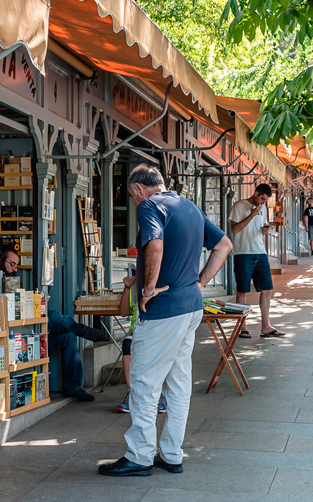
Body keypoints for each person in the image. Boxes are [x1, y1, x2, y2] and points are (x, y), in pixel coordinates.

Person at [98, 165, 231, 477]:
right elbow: (224, 245)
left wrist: (146, 290)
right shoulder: (190, 206)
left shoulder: (149, 205)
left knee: (144, 383)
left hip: (163, 311)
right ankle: (171, 454)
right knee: (179, 384)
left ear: (139, 190)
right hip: (190, 306)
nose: (134, 202)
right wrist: (199, 283)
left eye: (132, 196)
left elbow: (154, 244)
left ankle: (140, 456)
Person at [229, 183, 283, 338]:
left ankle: (266, 326)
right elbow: (235, 229)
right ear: (256, 193)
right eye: (262, 198)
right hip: (243, 252)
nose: (262, 203)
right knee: (242, 291)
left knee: (267, 289)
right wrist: (251, 215)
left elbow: (259, 226)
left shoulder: (264, 208)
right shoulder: (239, 206)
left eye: (265, 200)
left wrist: (265, 229)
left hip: (260, 251)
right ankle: (242, 327)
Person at [114, 273, 167, 415]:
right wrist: (126, 288)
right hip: (137, 328)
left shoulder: (162, 283)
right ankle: (131, 392)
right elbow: (123, 312)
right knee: (127, 344)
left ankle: (159, 394)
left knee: (158, 347)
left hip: (159, 328)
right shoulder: (135, 287)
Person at [47, 314, 106, 402]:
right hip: (25, 332)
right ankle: (79, 329)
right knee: (51, 317)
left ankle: (72, 387)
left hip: (43, 333)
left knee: (69, 337)